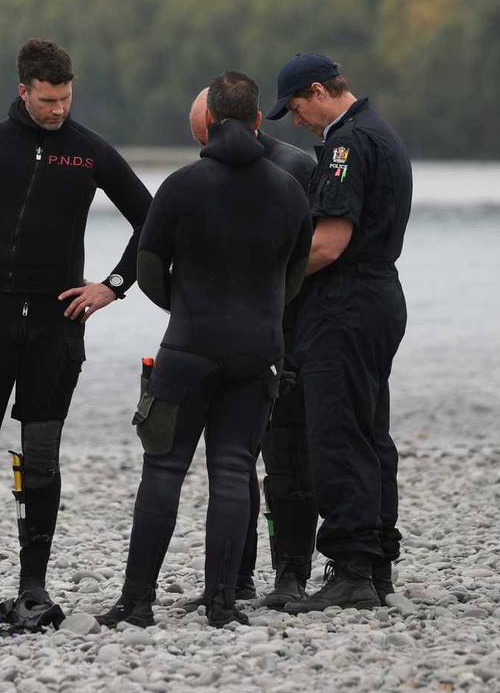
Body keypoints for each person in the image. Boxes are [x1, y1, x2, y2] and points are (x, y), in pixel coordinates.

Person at [0, 38, 152, 623]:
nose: (58, 110)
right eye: (47, 100)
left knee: (41, 457)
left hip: (57, 324)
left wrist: (113, 285)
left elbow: (153, 222)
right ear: (23, 90)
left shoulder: (88, 151)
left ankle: (33, 585)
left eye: (66, 99)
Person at [98, 71, 312, 629]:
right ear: (260, 120)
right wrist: (259, 317)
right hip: (258, 351)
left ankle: (137, 603)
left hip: (189, 346)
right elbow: (294, 276)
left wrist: (185, 307)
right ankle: (223, 602)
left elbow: (147, 267)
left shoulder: (181, 186)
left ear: (210, 123)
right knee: (233, 468)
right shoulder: (290, 190)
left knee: (163, 471)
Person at [264, 52, 412, 613]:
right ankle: (376, 561)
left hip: (345, 302)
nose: (296, 119)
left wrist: (269, 277)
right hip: (379, 298)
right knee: (372, 431)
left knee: (338, 433)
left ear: (320, 90)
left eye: (297, 106)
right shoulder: (384, 133)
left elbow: (328, 244)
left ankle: (350, 569)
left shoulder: (349, 144)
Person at [188, 88, 320, 610]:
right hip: (222, 341)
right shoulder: (198, 179)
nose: (208, 150)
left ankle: (291, 573)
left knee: (288, 460)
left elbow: (310, 257)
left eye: (210, 137)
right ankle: (231, 579)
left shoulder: (295, 170)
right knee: (231, 463)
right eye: (199, 142)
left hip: (285, 334)